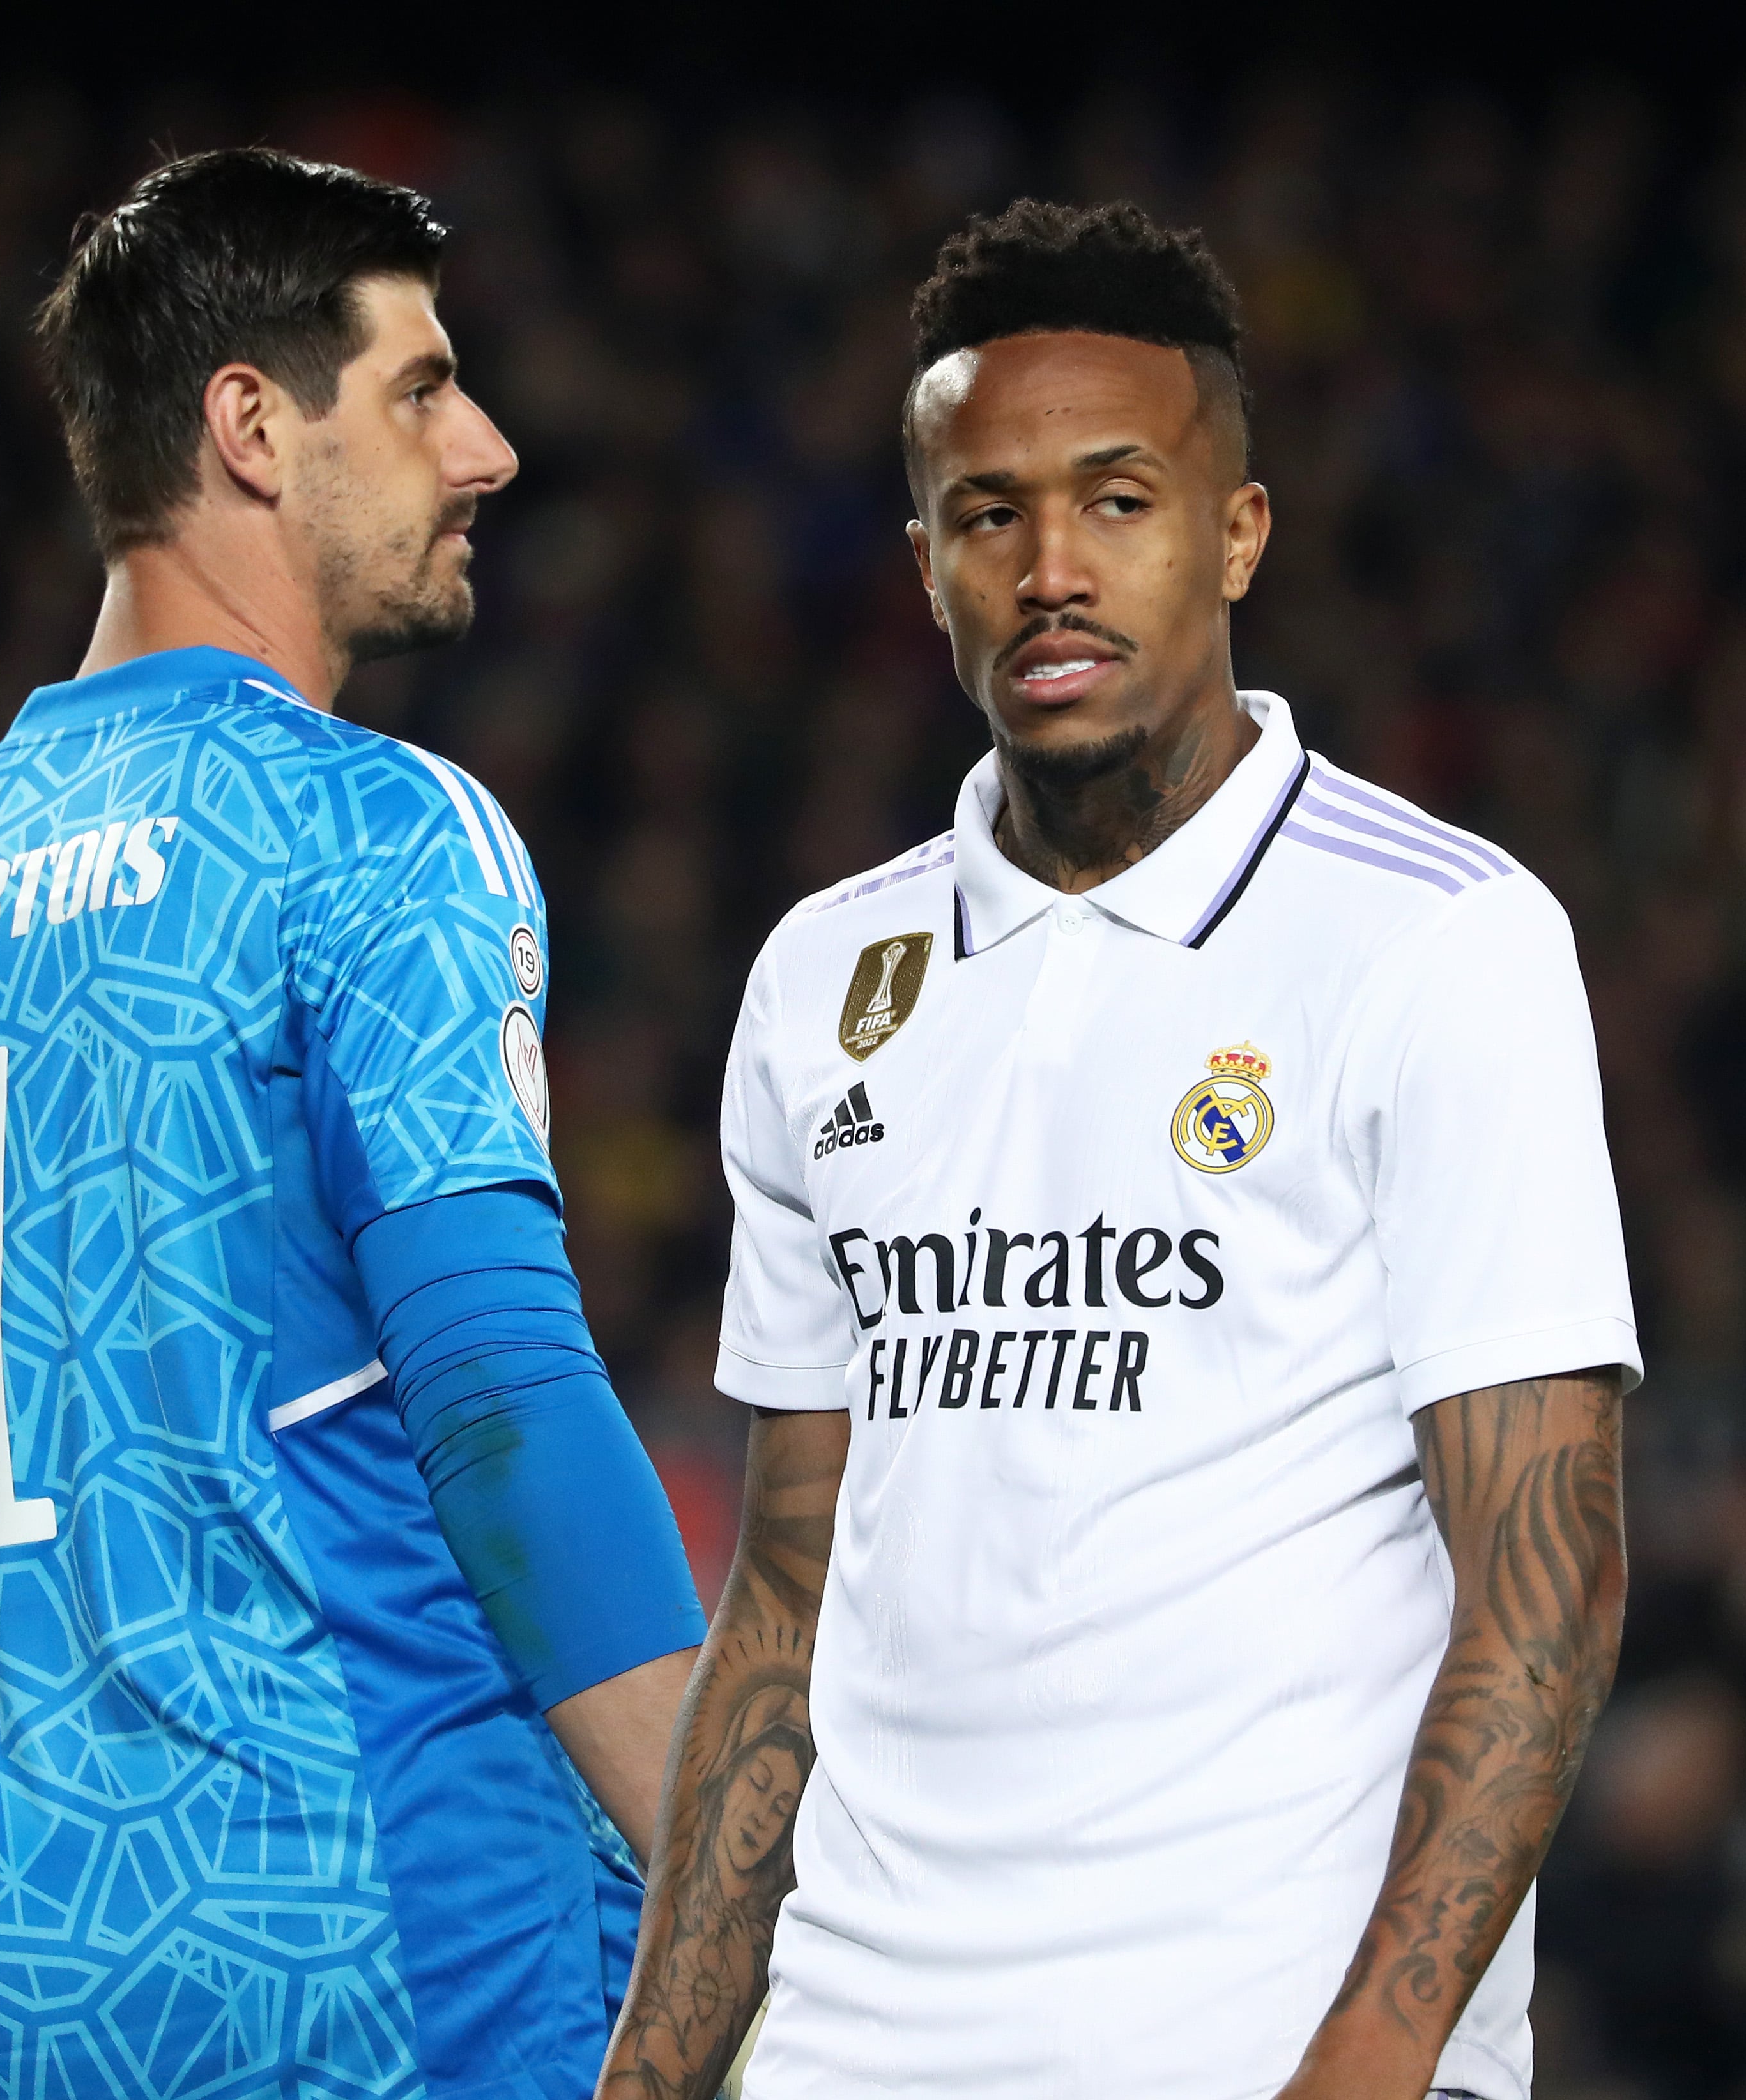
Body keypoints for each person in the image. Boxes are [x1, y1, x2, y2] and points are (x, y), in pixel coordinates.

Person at [600, 200, 1640, 2100]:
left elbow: (1545, 1581)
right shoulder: (827, 972)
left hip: (1260, 2044)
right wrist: (651, 2071)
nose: (1050, 568)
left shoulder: (1439, 938)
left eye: (1118, 501)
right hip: (856, 2050)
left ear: (1234, 531)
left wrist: (1375, 2059)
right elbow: (786, 1594)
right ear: (923, 565)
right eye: (987, 515)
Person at [0, 148, 707, 2100]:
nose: (490, 451)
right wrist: (760, 1890)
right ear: (252, 429)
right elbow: (501, 1395)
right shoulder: (367, 832)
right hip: (361, 1963)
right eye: (424, 389)